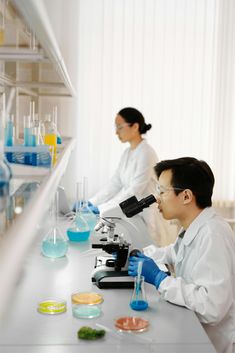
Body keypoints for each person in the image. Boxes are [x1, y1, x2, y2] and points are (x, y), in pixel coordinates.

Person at [128, 157, 235, 353]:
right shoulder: (195, 225)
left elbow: (212, 307)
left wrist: (160, 280)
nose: (156, 198)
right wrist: (141, 254)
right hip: (191, 330)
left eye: (162, 191)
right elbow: (174, 252)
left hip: (211, 343)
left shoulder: (213, 235)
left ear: (186, 196)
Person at [89, 107, 170, 245]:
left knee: (151, 257)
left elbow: (134, 191)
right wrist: (92, 202)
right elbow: (115, 183)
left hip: (147, 217)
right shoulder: (128, 152)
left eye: (119, 127)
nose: (116, 132)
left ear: (135, 127)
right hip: (133, 215)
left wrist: (103, 208)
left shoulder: (147, 153)